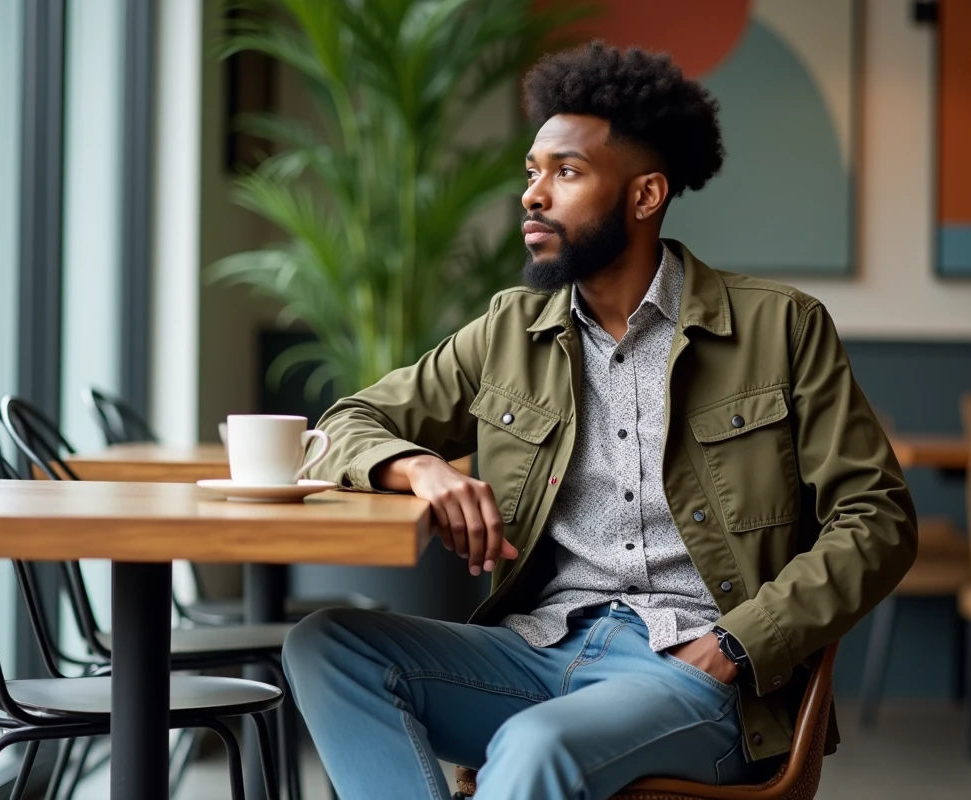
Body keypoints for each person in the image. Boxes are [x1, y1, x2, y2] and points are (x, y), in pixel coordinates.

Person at [284, 42, 916, 800]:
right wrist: (416, 465)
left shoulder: (780, 329)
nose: (532, 195)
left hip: (693, 676)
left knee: (531, 746)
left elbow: (877, 519)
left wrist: (736, 646)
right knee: (327, 647)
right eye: (531, 172)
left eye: (566, 172)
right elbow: (346, 423)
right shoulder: (509, 331)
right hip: (538, 651)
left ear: (645, 196)